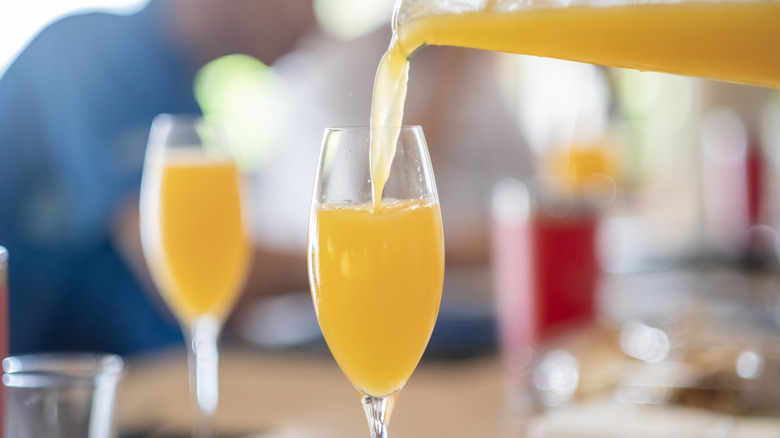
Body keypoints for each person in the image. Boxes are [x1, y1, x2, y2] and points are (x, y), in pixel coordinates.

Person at [0, 0, 316, 356]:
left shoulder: (184, 103)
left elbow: (209, 305)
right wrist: (339, 265)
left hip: (133, 376)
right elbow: (178, 269)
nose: (311, 18)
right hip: (47, 386)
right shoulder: (95, 55)